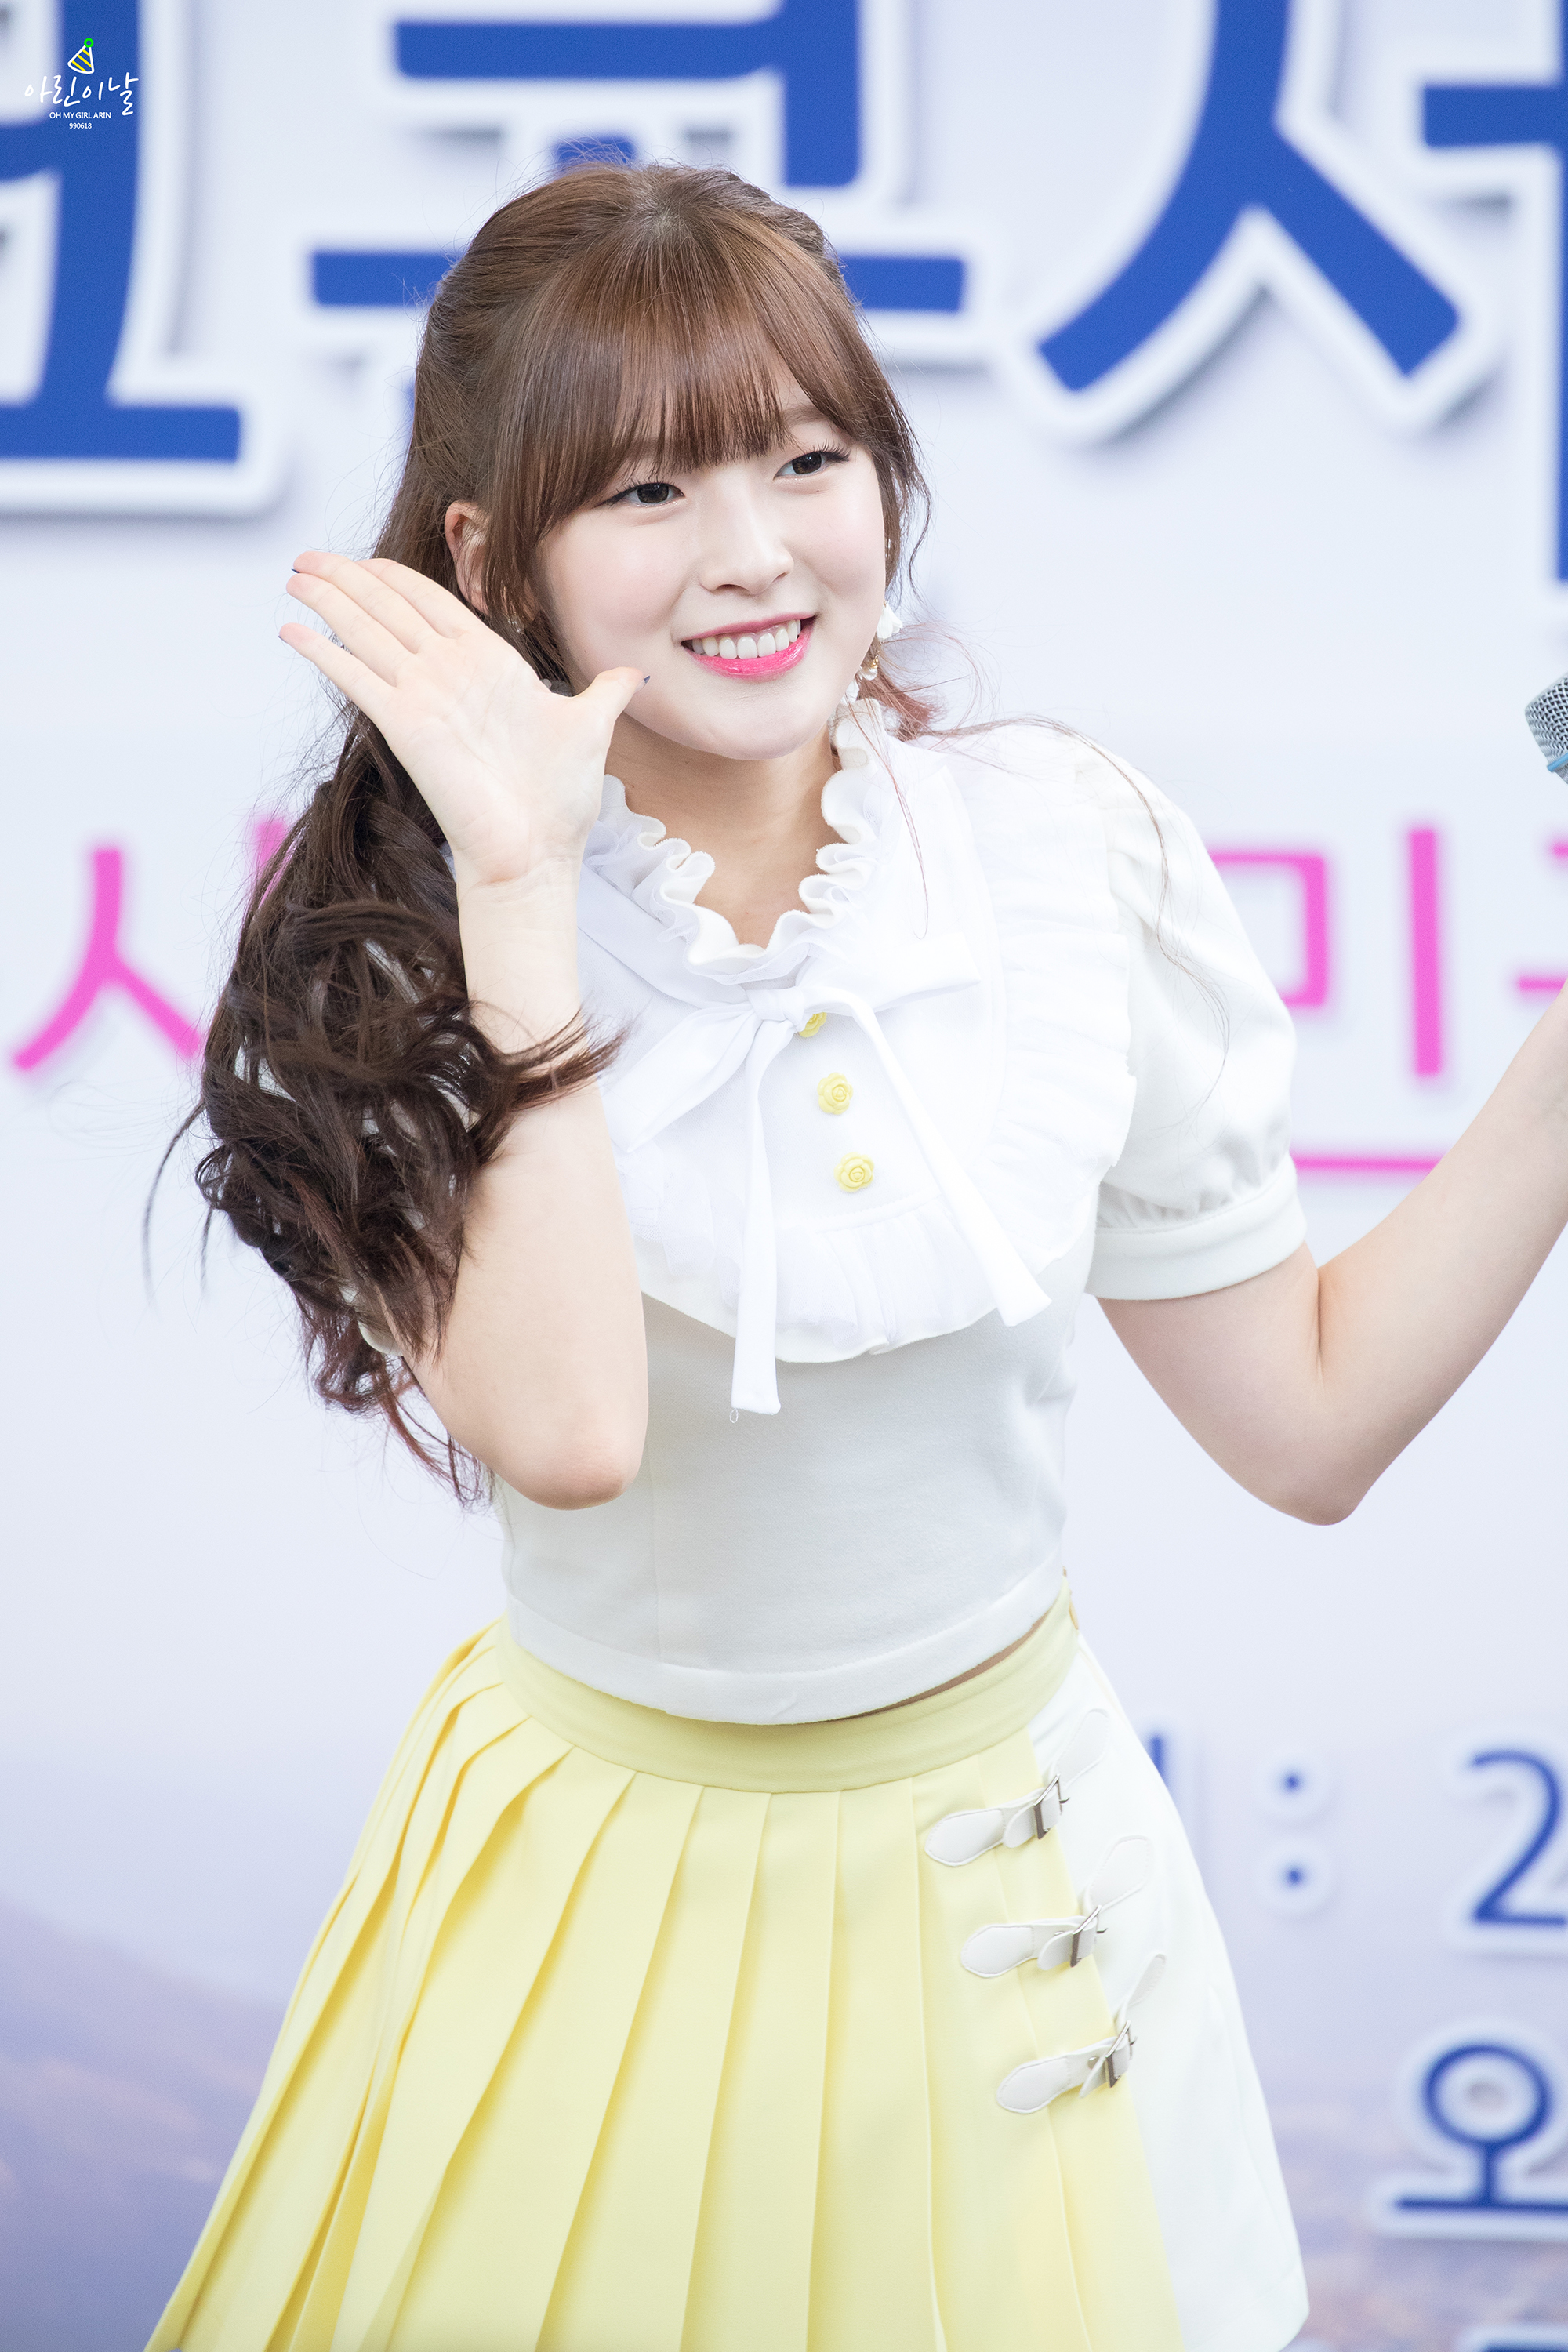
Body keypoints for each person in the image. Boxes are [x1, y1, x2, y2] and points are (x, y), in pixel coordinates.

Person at [148, 162, 1568, 2352]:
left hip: (1029, 1906)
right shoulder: (406, 947)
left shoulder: (1063, 847)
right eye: (649, 490)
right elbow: (572, 1433)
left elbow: (1308, 1423)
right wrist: (518, 886)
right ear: (490, 559)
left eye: (810, 460)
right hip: (606, 1914)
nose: (754, 551)